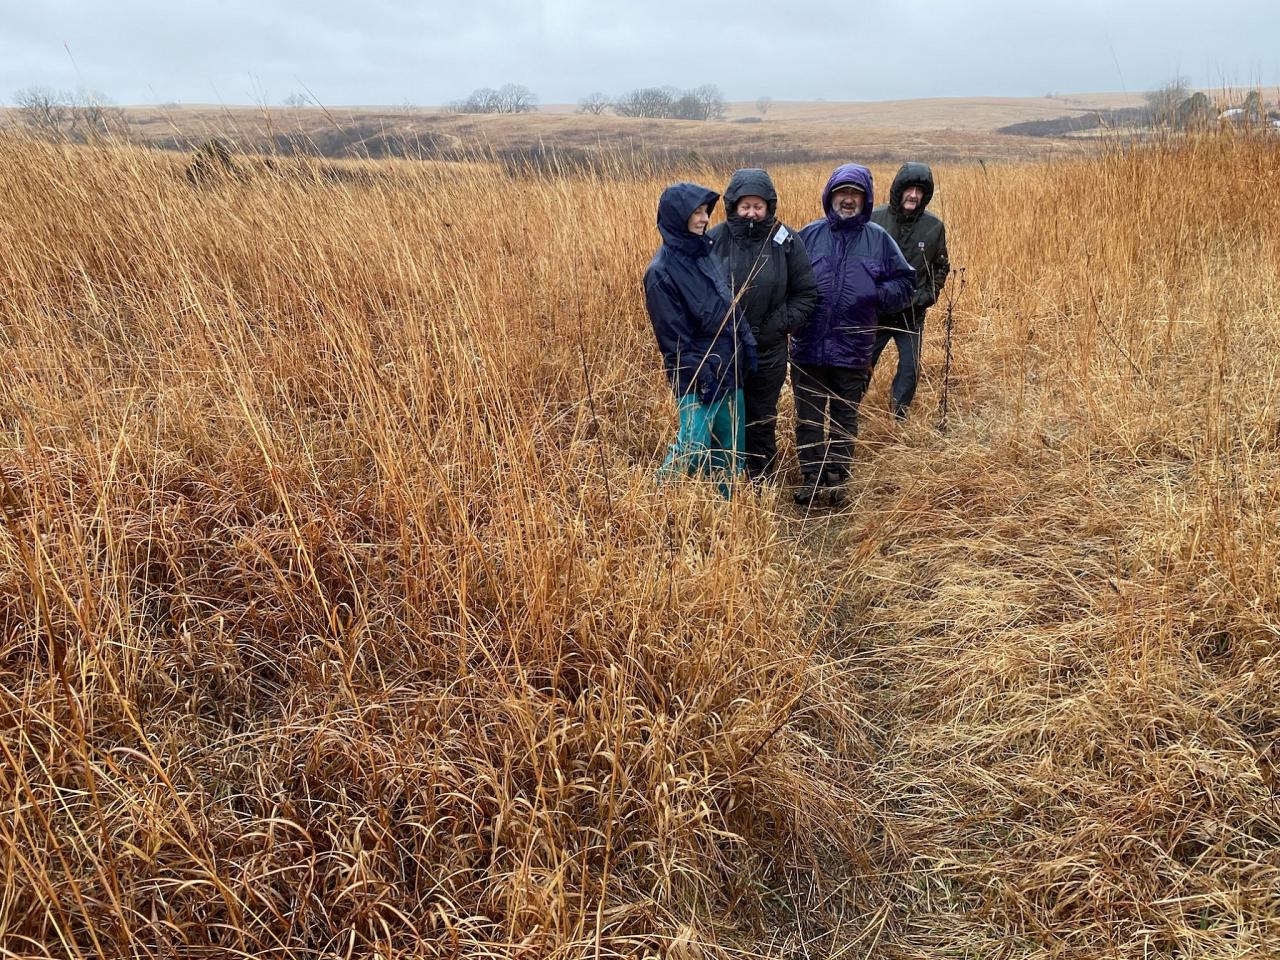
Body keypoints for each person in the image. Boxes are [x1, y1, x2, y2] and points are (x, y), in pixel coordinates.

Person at [792, 164, 915, 506]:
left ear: (865, 199)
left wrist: (874, 295)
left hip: (855, 345)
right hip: (808, 344)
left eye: (855, 194)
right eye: (842, 193)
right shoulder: (809, 235)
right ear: (830, 196)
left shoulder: (879, 239)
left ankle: (837, 480)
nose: (848, 200)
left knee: (845, 414)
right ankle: (812, 479)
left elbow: (906, 282)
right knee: (808, 415)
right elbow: (786, 279)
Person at [644, 182, 757, 496]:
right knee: (692, 448)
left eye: (705, 210)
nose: (704, 218)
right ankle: (658, 499)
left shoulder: (704, 252)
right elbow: (673, 340)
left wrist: (746, 344)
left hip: (729, 365)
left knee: (731, 450)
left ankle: (726, 511)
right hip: (698, 375)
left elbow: (727, 305)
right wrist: (702, 376)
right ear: (676, 217)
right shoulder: (661, 271)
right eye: (695, 212)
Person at [706, 169, 817, 484]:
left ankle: (760, 480)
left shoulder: (786, 241)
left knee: (761, 418)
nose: (752, 212)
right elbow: (699, 295)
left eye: (758, 206)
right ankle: (723, 478)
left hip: (768, 352)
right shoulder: (715, 240)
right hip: (725, 352)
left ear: (769, 206)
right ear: (733, 206)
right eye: (745, 206)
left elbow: (806, 294)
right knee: (723, 416)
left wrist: (772, 329)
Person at [870, 162, 951, 420]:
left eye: (920, 190)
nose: (914, 195)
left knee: (910, 369)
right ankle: (848, 408)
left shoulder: (933, 227)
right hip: (877, 314)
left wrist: (929, 295)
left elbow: (941, 266)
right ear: (898, 190)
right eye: (909, 188)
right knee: (861, 366)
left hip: (912, 315)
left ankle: (899, 416)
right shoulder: (875, 220)